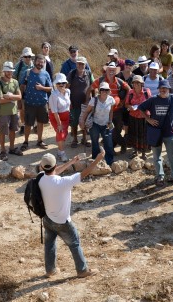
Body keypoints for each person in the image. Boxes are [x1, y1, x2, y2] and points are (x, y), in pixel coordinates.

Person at [38, 150, 105, 279]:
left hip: (47, 218)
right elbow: (84, 173)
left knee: (50, 244)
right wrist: (98, 159)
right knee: (74, 243)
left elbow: (54, 172)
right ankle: (82, 270)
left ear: (42, 167)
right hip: (62, 222)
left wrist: (72, 162)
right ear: (55, 165)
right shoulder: (63, 182)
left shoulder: (40, 177)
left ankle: (50, 270)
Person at [137, 79, 173, 186]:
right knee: (156, 157)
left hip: (170, 132)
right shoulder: (153, 99)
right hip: (155, 132)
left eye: (165, 88)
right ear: (158, 89)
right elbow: (140, 108)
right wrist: (148, 119)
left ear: (168, 89)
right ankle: (160, 177)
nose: (163, 90)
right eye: (161, 88)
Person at [88, 62, 130, 154]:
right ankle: (122, 145)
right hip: (105, 111)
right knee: (111, 131)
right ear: (106, 70)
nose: (111, 71)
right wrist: (90, 100)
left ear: (115, 71)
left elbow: (129, 89)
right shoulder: (100, 80)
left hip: (117, 110)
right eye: (109, 70)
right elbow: (90, 88)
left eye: (113, 70)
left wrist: (123, 101)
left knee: (116, 131)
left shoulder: (119, 81)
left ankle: (117, 146)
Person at [20, 55, 53, 151]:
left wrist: (42, 88)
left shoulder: (46, 74)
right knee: (28, 124)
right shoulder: (28, 73)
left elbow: (51, 88)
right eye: (38, 61)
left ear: (44, 63)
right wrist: (19, 101)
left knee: (40, 123)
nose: (40, 63)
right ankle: (25, 142)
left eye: (42, 62)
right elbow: (22, 87)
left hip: (42, 103)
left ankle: (39, 140)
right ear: (34, 62)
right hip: (29, 102)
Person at [79, 82, 116, 165]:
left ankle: (109, 161)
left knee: (108, 143)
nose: (104, 91)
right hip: (95, 124)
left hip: (106, 124)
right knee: (95, 142)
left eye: (106, 90)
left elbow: (111, 111)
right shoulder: (94, 100)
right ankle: (95, 160)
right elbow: (87, 111)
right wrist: (82, 121)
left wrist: (110, 121)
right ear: (99, 90)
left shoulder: (111, 99)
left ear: (109, 91)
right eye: (102, 89)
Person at [0, 61, 23, 160]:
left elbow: (19, 96)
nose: (10, 73)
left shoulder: (15, 82)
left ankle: (11, 148)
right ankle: (3, 151)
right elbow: (0, 100)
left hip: (14, 111)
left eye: (11, 71)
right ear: (4, 71)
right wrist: (11, 98)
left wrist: (9, 96)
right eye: (8, 71)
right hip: (3, 113)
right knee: (3, 132)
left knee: (13, 130)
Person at [67, 56, 93, 148]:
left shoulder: (89, 73)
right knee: (74, 122)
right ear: (76, 64)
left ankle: (84, 139)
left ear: (85, 65)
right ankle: (75, 139)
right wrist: (68, 100)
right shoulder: (72, 73)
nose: (80, 65)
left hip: (86, 103)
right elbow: (67, 87)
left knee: (85, 121)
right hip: (74, 102)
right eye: (78, 63)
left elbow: (92, 86)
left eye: (82, 64)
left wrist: (92, 100)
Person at [125, 75, 151, 159]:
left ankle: (143, 153)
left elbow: (150, 103)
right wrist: (130, 107)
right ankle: (135, 151)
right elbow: (126, 104)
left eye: (138, 83)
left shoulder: (147, 92)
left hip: (144, 118)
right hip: (133, 117)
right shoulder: (130, 92)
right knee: (134, 134)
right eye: (134, 83)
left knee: (144, 135)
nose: (136, 84)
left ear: (142, 84)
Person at [49, 73, 71, 162]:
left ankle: (59, 151)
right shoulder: (53, 95)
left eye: (63, 83)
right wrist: (59, 124)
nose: (61, 85)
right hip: (56, 117)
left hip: (66, 116)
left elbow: (68, 104)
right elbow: (54, 111)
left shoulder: (68, 92)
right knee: (60, 133)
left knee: (64, 134)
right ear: (56, 84)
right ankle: (62, 153)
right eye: (59, 83)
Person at [14, 47, 35, 134]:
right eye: (26, 56)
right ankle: (23, 125)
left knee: (31, 108)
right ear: (23, 57)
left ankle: (31, 124)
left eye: (29, 56)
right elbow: (14, 78)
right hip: (21, 90)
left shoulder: (34, 65)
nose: (28, 58)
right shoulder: (18, 66)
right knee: (22, 109)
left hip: (32, 91)